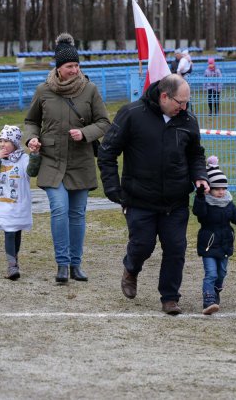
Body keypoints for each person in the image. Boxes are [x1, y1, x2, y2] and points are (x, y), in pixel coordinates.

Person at [97, 74, 209, 315]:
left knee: (175, 248)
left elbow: (195, 155)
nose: (185, 107)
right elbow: (107, 153)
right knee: (142, 245)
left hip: (176, 200)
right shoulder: (131, 114)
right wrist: (113, 189)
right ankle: (131, 268)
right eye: (180, 102)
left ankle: (170, 297)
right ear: (164, 96)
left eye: (187, 102)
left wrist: (200, 176)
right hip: (139, 198)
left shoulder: (188, 120)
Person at [25, 33, 111, 285]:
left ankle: (76, 264)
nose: (75, 70)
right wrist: (31, 139)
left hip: (80, 161)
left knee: (77, 214)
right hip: (51, 160)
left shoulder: (90, 90)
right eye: (69, 66)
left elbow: (104, 122)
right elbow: (31, 121)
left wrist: (85, 133)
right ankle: (62, 264)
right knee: (59, 209)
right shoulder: (43, 91)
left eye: (77, 65)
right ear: (59, 68)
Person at [193, 156, 236, 315]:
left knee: (221, 273)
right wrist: (200, 196)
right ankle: (208, 300)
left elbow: (235, 215)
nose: (221, 192)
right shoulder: (205, 202)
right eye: (217, 189)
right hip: (209, 243)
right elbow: (198, 213)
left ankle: (215, 291)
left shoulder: (228, 202)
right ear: (210, 189)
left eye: (223, 188)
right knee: (211, 273)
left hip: (225, 243)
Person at [0, 125, 41, 280]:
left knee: (16, 232)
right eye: (0, 141)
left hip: (18, 204)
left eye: (7, 141)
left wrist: (35, 155)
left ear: (15, 143)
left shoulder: (23, 159)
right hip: (2, 205)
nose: (2, 144)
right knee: (9, 231)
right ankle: (12, 266)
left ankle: (14, 261)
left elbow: (32, 172)